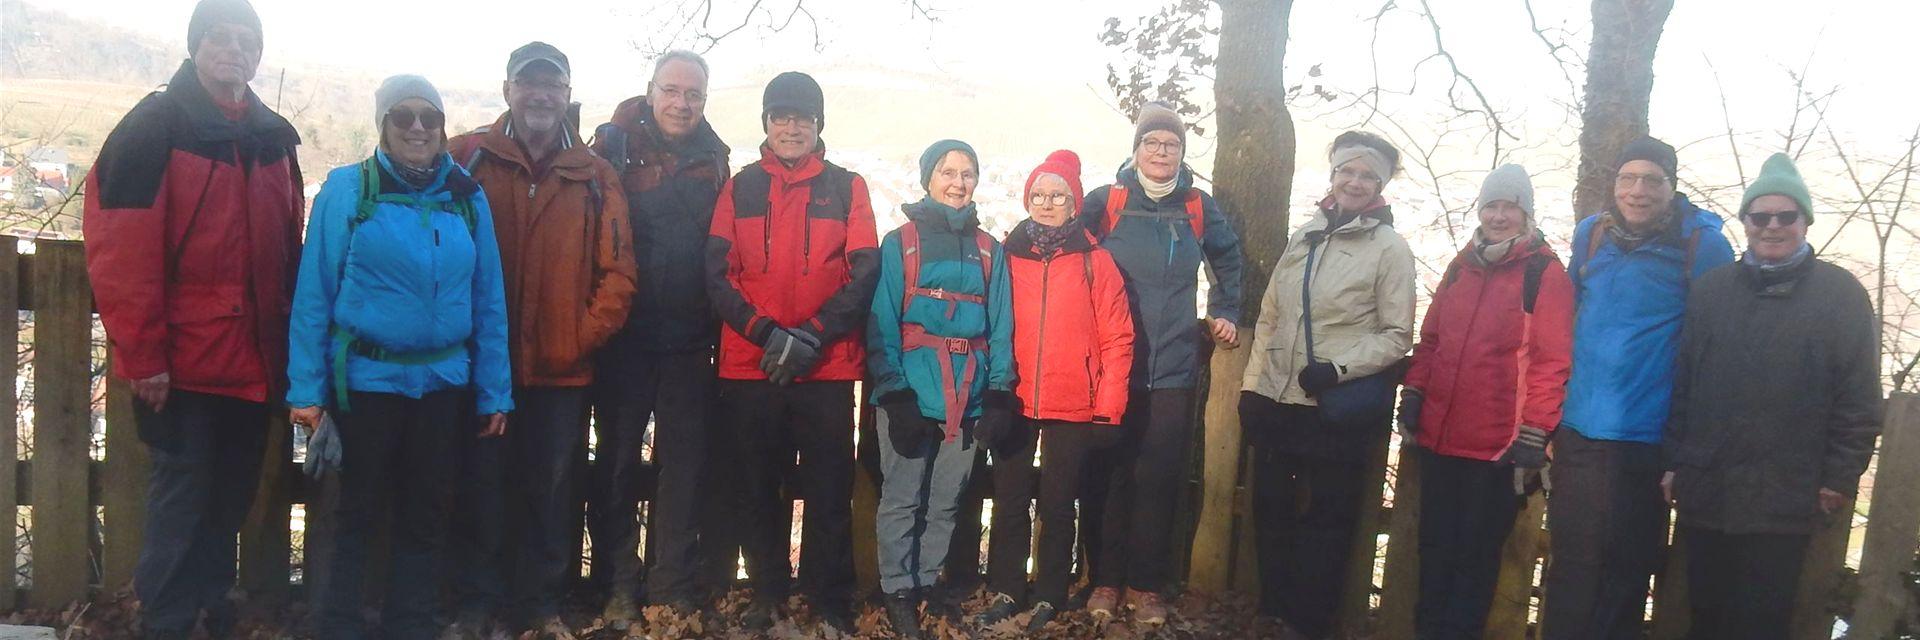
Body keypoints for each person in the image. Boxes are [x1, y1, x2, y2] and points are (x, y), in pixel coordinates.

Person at [82, 2, 301, 637]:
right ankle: (168, 621)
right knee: (180, 504)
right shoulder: (153, 128)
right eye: (219, 38)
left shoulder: (273, 137)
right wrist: (144, 357)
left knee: (229, 500)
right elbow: (120, 252)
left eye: (247, 40)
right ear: (195, 47)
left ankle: (208, 608)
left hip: (254, 362)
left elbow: (289, 247)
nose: (235, 50)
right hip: (181, 366)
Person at [286, 75, 513, 640]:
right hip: (365, 382)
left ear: (442, 127)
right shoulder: (349, 190)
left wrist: (494, 391)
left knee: (426, 515)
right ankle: (338, 627)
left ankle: (409, 625)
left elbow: (488, 299)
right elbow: (315, 293)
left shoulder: (465, 196)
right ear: (383, 124)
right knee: (354, 514)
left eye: (428, 117)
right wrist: (306, 390)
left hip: (442, 384)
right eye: (403, 116)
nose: (417, 127)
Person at [444, 42, 636, 636]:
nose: (541, 96)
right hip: (484, 367)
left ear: (567, 95)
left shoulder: (594, 175)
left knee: (552, 492)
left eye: (552, 85)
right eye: (529, 83)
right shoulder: (467, 158)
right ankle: (477, 604)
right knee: (481, 484)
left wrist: (576, 339)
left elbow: (618, 274)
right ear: (507, 89)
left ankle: (541, 606)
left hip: (560, 368)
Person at [1663, 154, 1881, 640]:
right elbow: (1685, 384)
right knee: (1705, 618)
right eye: (1761, 217)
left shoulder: (1840, 295)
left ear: (1805, 221)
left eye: (1786, 216)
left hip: (1785, 497)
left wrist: (1839, 477)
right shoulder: (1712, 291)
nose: (1773, 226)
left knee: (1762, 623)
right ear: (1746, 222)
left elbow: (1859, 400)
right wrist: (1675, 462)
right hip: (1708, 490)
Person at [704, 70, 878, 635]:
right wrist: (767, 334)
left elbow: (863, 271)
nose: (792, 127)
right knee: (758, 486)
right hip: (752, 365)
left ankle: (826, 598)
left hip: (825, 367)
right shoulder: (741, 188)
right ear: (766, 123)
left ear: (819, 125)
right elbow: (717, 274)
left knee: (829, 489)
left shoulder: (847, 188)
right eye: (781, 117)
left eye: (803, 118)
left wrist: (811, 335)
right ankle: (767, 593)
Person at [1543, 137, 1735, 640]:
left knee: (1627, 564)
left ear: (1671, 187)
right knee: (1571, 559)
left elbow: (1716, 344)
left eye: (1652, 180)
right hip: (1579, 428)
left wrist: (1686, 445)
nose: (1638, 190)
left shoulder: (1701, 245)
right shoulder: (1592, 234)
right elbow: (1567, 314)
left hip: (1647, 434)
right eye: (1627, 178)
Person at [1238, 131, 1416, 640]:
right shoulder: (1306, 236)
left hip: (1333, 405)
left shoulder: (1389, 249)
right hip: (1281, 397)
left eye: (1367, 176)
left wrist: (1338, 369)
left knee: (1327, 519)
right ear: (1334, 175)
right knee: (1270, 508)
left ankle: (1309, 622)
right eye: (1347, 172)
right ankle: (1275, 611)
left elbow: (1396, 334)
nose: (1355, 182)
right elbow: (1271, 316)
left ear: (1380, 185)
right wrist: (1252, 387)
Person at [1078, 102, 1244, 625]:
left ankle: (1146, 584)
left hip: (1172, 364)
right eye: (1151, 142)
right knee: (1108, 473)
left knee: (1159, 476)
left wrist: (1225, 309)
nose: (1161, 151)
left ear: (1182, 153)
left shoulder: (1196, 206)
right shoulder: (1107, 202)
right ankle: (1105, 579)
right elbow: (1068, 258)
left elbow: (1227, 258)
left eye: (1171, 144)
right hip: (1113, 364)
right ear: (1136, 150)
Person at [586, 49, 733, 622]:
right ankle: (618, 583)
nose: (681, 103)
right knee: (617, 465)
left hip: (691, 341)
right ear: (650, 92)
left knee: (684, 470)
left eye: (693, 94)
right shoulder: (613, 148)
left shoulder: (714, 160)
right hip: (625, 339)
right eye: (671, 91)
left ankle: (671, 587)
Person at [1399, 165, 1572, 640]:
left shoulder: (1543, 273)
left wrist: (1535, 433)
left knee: (1473, 562)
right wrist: (1415, 391)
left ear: (1525, 214)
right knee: (1434, 551)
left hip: (1497, 449)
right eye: (1491, 206)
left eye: (1509, 207)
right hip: (1441, 438)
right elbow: (1432, 339)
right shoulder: (1462, 265)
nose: (1498, 216)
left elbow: (1551, 361)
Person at [975, 150, 1135, 633]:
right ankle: (1007, 587)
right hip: (1016, 395)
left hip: (1074, 400)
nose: (1047, 204)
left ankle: (1049, 591)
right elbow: (990, 323)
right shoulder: (1008, 255)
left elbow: (1117, 337)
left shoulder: (1096, 261)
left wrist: (1108, 408)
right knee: (1009, 498)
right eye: (1038, 195)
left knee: (1059, 503)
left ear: (1074, 203)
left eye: (1057, 196)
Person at [865, 139, 1015, 639]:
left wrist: (998, 393)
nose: (958, 182)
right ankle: (897, 589)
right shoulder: (901, 243)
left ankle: (925, 582)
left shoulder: (989, 250)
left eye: (966, 173)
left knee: (947, 499)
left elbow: (1001, 326)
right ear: (929, 178)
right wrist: (894, 392)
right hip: (912, 387)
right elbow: (882, 319)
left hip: (968, 391)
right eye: (948, 172)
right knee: (903, 497)